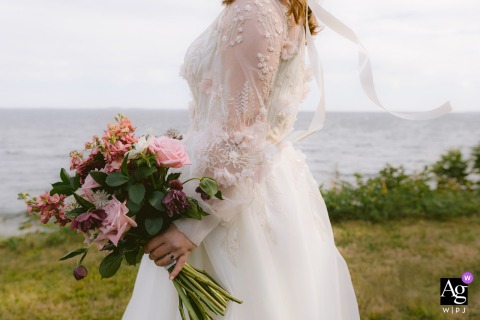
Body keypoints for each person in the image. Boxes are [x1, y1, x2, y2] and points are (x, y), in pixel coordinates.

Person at [123, 0, 449, 318]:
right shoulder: (282, 7)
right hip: (261, 183)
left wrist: (192, 226)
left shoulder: (254, 8)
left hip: (230, 196)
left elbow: (240, 135)